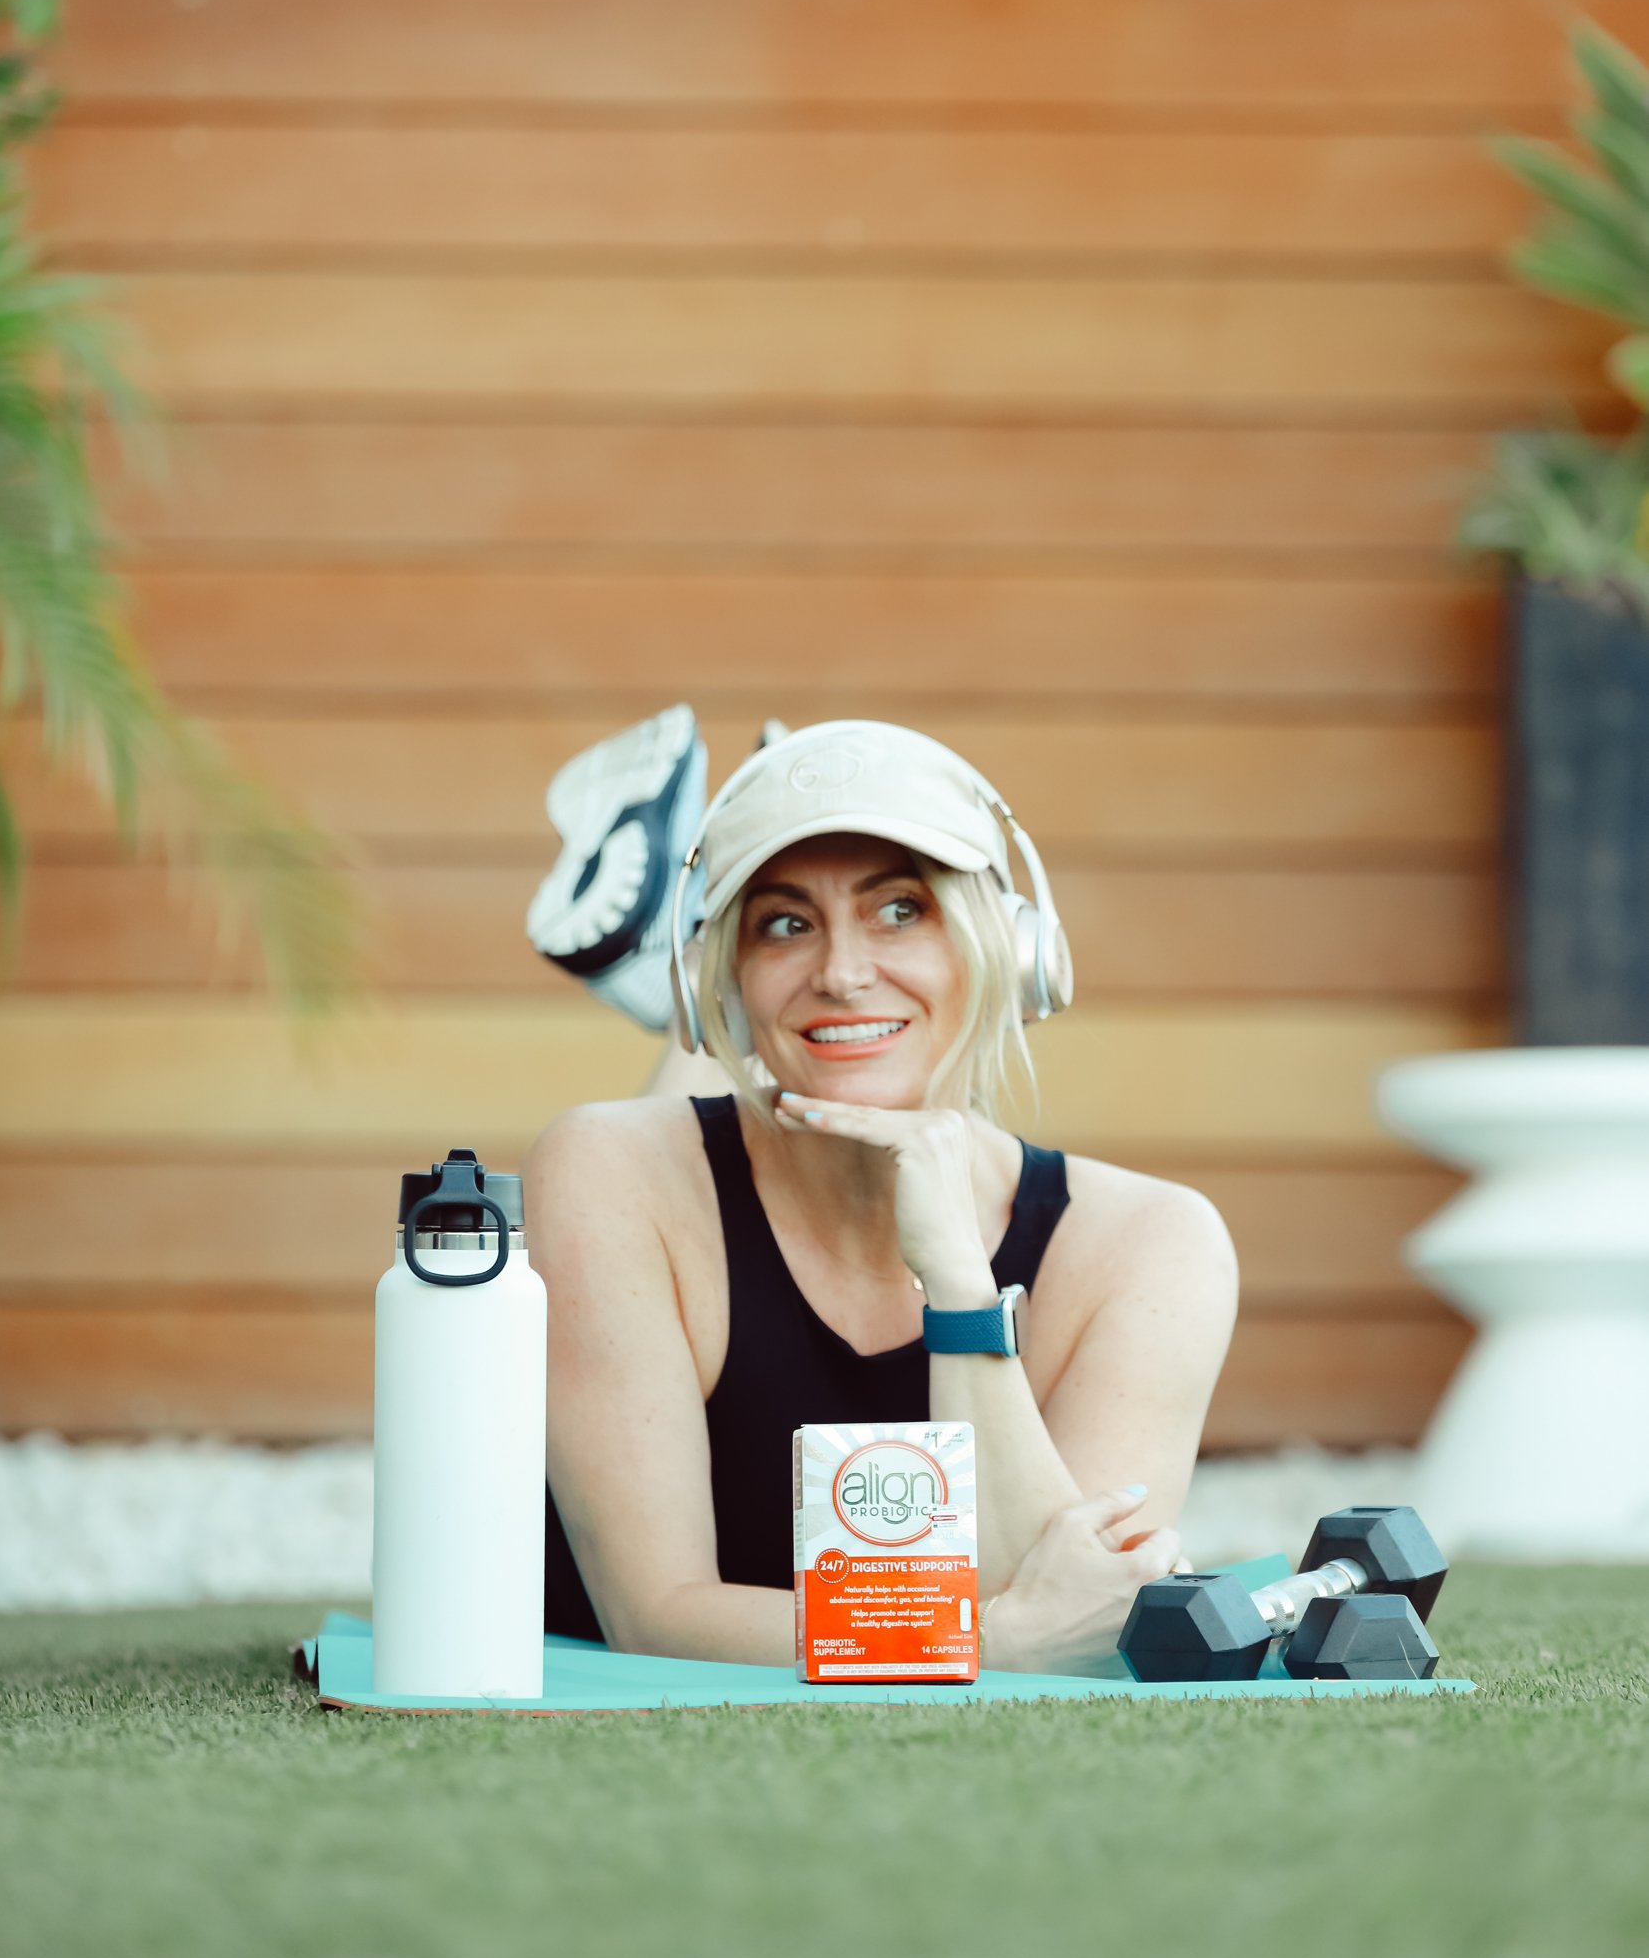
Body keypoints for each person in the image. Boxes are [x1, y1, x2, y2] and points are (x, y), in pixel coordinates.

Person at [522, 708, 1237, 1673]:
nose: (844, 972)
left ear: (1011, 950)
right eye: (783, 922)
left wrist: (957, 1281)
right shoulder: (601, 1169)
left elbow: (1070, 1614)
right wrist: (986, 1641)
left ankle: (678, 947)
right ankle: (676, 983)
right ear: (719, 981)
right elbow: (653, 1616)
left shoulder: (1155, 1244)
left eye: (900, 909)